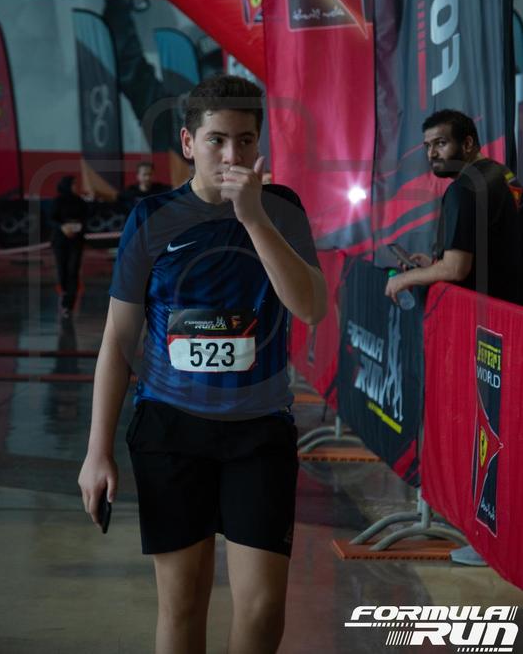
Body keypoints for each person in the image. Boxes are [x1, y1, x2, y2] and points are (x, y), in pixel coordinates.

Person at [78, 74, 327, 654]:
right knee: (183, 602)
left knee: (262, 610)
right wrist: (96, 450)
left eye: (245, 139)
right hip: (171, 430)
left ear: (259, 142)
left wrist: (253, 217)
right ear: (189, 143)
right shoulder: (152, 217)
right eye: (217, 139)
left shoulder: (282, 210)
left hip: (258, 432)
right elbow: (118, 338)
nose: (231, 154)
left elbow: (312, 307)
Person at [385, 108, 522, 565]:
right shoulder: (499, 175)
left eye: (440, 143)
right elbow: (473, 256)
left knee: (491, 441)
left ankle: (490, 541)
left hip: (489, 335)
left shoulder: (465, 187)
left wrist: (407, 279)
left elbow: (459, 268)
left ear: (467, 143)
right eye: (427, 146)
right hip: (507, 327)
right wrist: (435, 264)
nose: (432, 154)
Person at [50, 175, 88, 318]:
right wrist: (62, 227)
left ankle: (68, 304)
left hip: (76, 241)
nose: (75, 187)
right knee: (62, 270)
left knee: (73, 270)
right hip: (60, 241)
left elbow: (86, 217)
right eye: (73, 184)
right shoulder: (58, 201)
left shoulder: (80, 201)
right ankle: (64, 293)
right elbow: (51, 219)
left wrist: (79, 226)